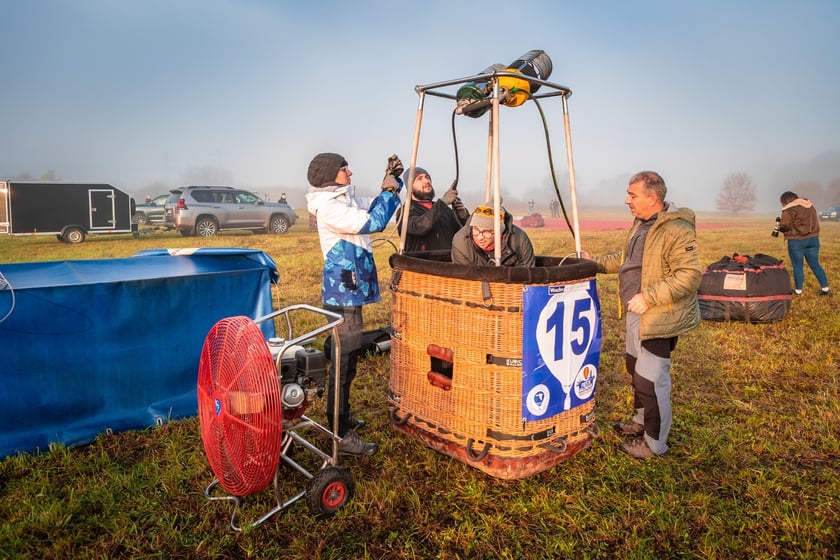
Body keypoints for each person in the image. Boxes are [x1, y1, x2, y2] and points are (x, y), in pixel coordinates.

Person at [583, 171, 701, 459]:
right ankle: (640, 421)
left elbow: (689, 275)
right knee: (634, 368)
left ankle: (654, 443)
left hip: (659, 316)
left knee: (651, 380)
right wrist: (593, 263)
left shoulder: (676, 229)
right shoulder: (641, 224)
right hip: (635, 312)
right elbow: (628, 261)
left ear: (653, 198)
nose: (627, 200)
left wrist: (649, 297)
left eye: (632, 195)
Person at [305, 152, 404, 456]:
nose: (349, 172)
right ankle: (339, 434)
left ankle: (343, 417)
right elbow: (373, 221)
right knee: (343, 362)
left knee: (349, 361)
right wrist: (389, 190)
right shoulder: (330, 207)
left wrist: (393, 183)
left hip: (350, 290)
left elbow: (373, 205)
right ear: (329, 175)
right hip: (343, 294)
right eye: (343, 168)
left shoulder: (343, 200)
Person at [395, 166, 470, 252]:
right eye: (419, 179)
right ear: (410, 187)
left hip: (448, 259)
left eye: (427, 177)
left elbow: (465, 235)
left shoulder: (445, 210)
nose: (426, 181)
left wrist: (463, 216)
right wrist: (444, 202)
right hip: (418, 260)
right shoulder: (405, 211)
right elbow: (419, 227)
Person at [775, 191, 830, 296]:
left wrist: (779, 226)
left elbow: (785, 225)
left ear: (785, 200)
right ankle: (825, 290)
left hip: (796, 241)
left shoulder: (788, 209)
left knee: (798, 267)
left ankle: (798, 291)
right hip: (813, 239)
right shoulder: (809, 205)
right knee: (815, 265)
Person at [451, 203, 535, 266]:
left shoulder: (519, 241)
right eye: (476, 229)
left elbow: (526, 276)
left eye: (487, 232)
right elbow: (464, 277)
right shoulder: (461, 242)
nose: (480, 237)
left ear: (500, 231)